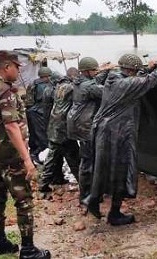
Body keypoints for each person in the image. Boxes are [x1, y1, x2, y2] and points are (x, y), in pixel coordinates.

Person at [87, 52, 157, 226]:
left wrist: (145, 68)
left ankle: (93, 201)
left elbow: (137, 80)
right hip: (117, 133)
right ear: (132, 71)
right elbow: (155, 78)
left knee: (101, 169)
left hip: (103, 130)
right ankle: (114, 214)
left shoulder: (112, 78)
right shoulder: (128, 83)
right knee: (122, 170)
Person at [0, 50, 50, 259]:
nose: (19, 71)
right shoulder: (5, 92)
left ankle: (0, 242)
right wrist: (27, 159)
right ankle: (28, 250)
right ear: (6, 66)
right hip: (11, 156)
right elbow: (11, 127)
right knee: (23, 200)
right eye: (17, 67)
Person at [66, 57, 114, 205]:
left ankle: (89, 192)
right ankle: (87, 195)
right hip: (84, 125)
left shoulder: (80, 81)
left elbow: (96, 80)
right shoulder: (88, 86)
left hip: (78, 123)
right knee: (88, 161)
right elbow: (110, 92)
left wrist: (106, 70)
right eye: (94, 69)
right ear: (86, 71)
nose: (96, 71)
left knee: (88, 159)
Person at [38, 67, 81, 197]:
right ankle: (85, 186)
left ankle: (43, 184)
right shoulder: (69, 88)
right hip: (63, 130)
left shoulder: (55, 90)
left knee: (51, 158)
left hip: (53, 127)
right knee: (74, 158)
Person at [25, 66, 55, 165]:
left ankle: (35, 155)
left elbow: (29, 101)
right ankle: (42, 155)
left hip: (33, 112)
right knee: (43, 136)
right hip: (42, 112)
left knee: (34, 135)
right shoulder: (52, 84)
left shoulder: (33, 84)